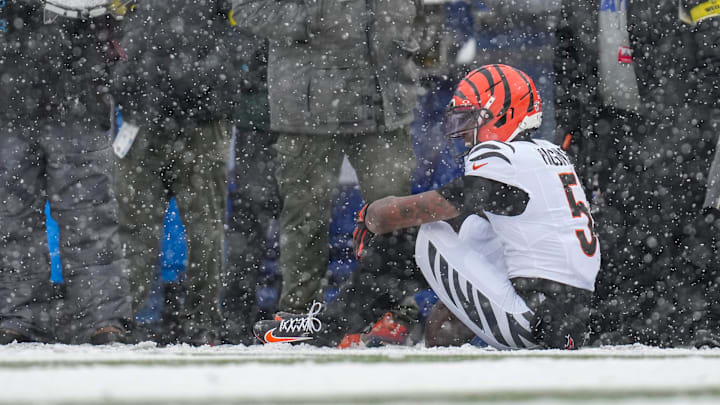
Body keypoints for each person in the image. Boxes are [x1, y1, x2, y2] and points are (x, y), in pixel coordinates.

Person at [254, 65, 601, 349]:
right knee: (470, 230)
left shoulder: (502, 156)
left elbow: (431, 207)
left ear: (504, 114)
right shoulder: (547, 155)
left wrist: (374, 214)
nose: (464, 134)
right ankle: (358, 324)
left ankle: (327, 328)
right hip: (564, 317)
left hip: (536, 316)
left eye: (470, 121)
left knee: (421, 234)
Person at [232, 0, 423, 317]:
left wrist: (412, 30)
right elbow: (248, 9)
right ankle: (301, 313)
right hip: (309, 107)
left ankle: (396, 311)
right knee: (306, 214)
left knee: (395, 214)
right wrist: (311, 20)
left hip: (384, 98)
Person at [0, 0, 133, 345]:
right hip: (14, 99)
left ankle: (102, 319)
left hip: (78, 98)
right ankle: (19, 317)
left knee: (88, 216)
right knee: (12, 219)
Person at [111, 0, 238, 345]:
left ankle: (194, 320)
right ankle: (124, 318)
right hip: (153, 109)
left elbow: (248, 17)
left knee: (197, 226)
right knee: (168, 225)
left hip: (191, 112)